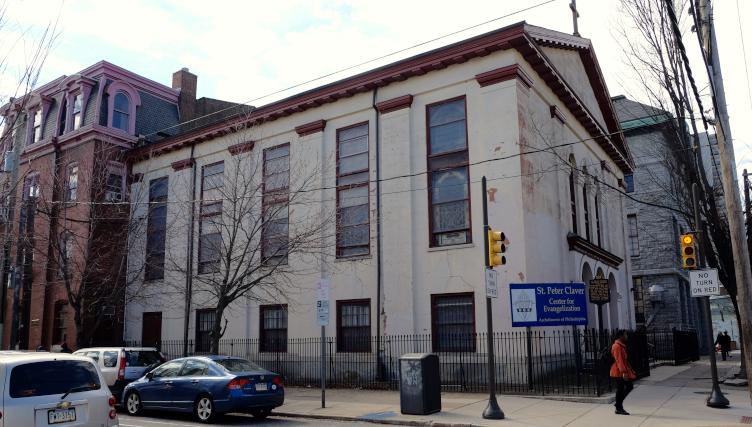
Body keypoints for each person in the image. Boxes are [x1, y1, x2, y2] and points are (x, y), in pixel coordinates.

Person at [611, 330, 637, 415]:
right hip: (618, 371)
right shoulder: (617, 346)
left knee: (628, 387)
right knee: (621, 388)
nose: (627, 336)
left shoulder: (621, 346)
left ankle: (618, 405)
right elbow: (619, 361)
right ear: (620, 336)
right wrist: (624, 372)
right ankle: (619, 407)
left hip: (622, 370)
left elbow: (624, 360)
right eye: (625, 335)